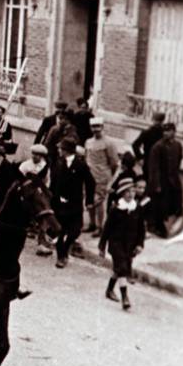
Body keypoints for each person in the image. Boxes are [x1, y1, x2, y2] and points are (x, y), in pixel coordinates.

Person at [99, 178, 146, 311]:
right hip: (115, 243)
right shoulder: (116, 209)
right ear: (122, 194)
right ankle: (125, 297)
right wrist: (102, 246)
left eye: (132, 191)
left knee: (119, 269)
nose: (130, 194)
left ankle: (109, 290)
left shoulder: (137, 208)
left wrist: (140, 244)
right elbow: (107, 229)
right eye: (127, 192)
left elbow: (141, 229)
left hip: (129, 245)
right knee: (123, 268)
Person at [50, 136, 96, 268]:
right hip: (59, 204)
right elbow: (53, 183)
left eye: (61, 148)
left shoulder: (80, 165)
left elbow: (90, 182)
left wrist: (89, 201)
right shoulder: (58, 163)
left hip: (74, 205)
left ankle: (66, 247)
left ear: (66, 150)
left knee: (75, 230)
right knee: (60, 231)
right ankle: (61, 257)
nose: (59, 150)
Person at [83, 117, 121, 235]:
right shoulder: (88, 142)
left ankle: (100, 227)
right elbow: (86, 158)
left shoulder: (109, 143)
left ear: (102, 127)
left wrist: (110, 177)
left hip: (102, 176)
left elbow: (114, 162)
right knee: (89, 200)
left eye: (98, 127)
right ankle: (92, 224)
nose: (96, 130)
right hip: (89, 175)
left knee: (98, 202)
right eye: (94, 127)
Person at [148, 122, 183, 238]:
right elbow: (154, 167)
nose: (165, 133)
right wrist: (157, 184)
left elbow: (178, 161)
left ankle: (166, 226)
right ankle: (156, 227)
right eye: (164, 131)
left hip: (173, 180)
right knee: (159, 205)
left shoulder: (178, 145)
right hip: (161, 181)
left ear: (174, 132)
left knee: (172, 205)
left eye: (168, 131)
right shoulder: (158, 146)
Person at [132, 112, 165, 178]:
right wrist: (140, 158)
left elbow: (135, 145)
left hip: (150, 160)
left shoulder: (147, 132)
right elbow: (135, 145)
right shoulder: (163, 134)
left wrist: (140, 158)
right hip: (157, 162)